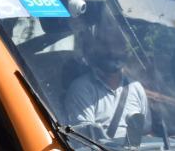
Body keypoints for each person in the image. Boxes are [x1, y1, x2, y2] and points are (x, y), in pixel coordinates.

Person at [63, 13, 148, 142]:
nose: (112, 51)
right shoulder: (82, 88)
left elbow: (145, 132)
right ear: (94, 49)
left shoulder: (136, 88)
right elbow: (86, 141)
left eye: (117, 45)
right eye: (105, 45)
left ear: (125, 50)